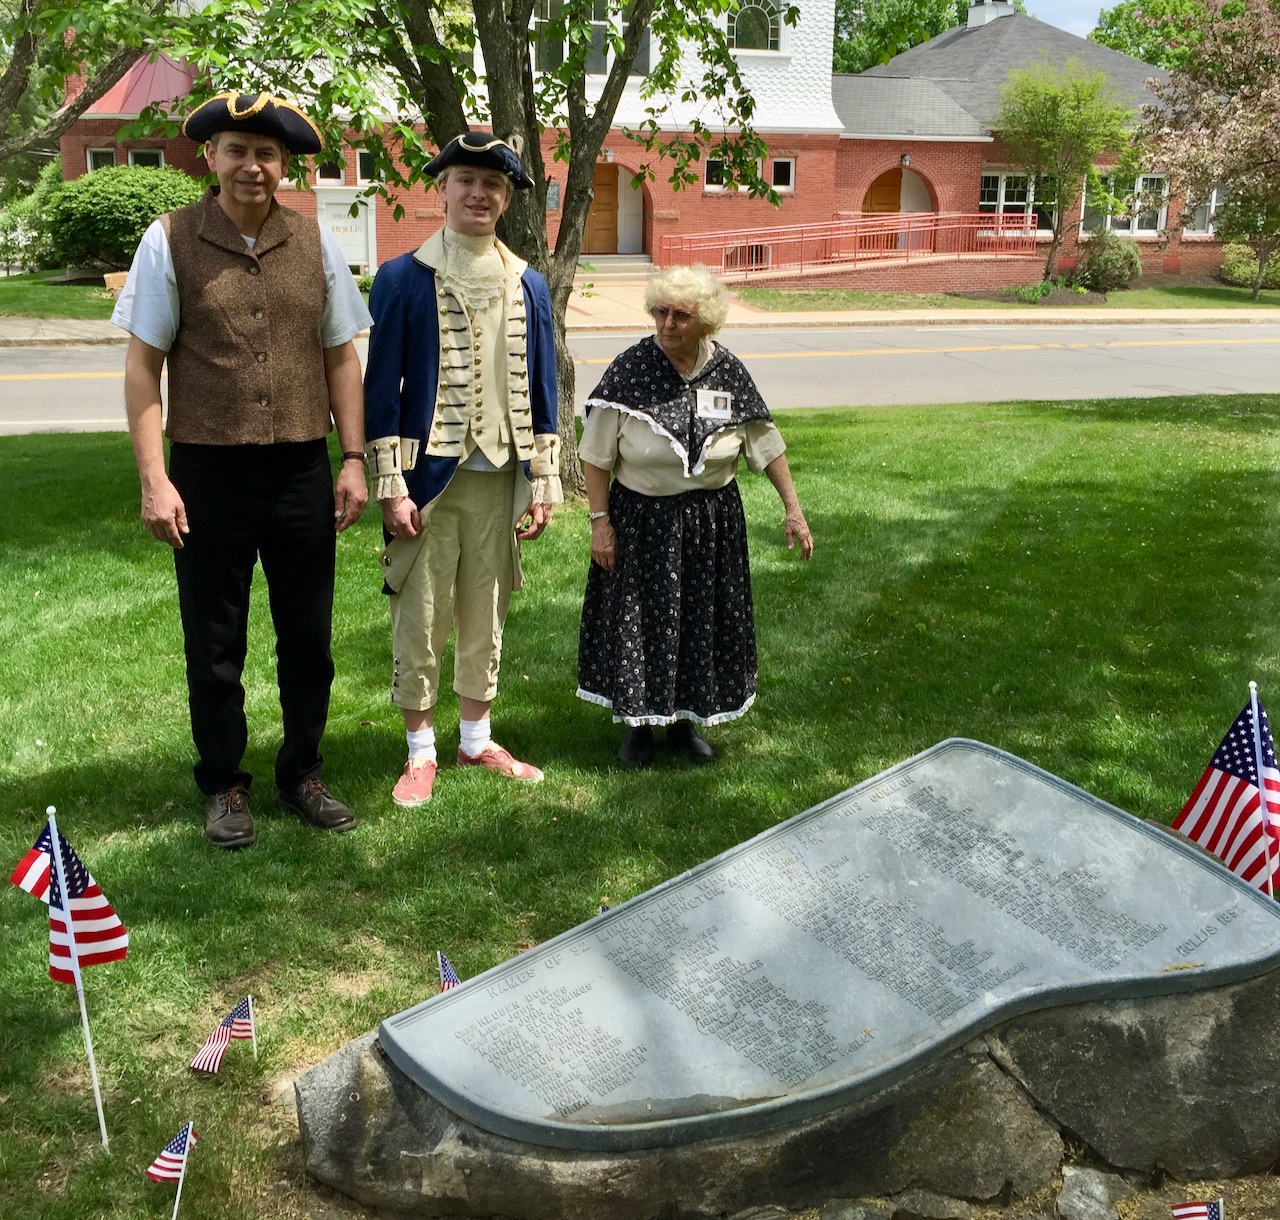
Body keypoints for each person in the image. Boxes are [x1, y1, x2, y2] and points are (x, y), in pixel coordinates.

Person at [113, 92, 372, 849]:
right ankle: (224, 783)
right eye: (236, 150)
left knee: (307, 639)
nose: (251, 166)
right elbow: (142, 368)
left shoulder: (315, 242)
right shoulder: (169, 240)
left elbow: (340, 359)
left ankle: (303, 771)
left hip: (299, 468)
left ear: (283, 164)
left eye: (265, 153)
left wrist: (351, 460)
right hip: (208, 471)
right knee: (215, 641)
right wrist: (155, 479)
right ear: (210, 158)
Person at [363, 132, 561, 807]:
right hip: (427, 480)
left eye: (493, 185)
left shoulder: (527, 280)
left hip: (501, 477)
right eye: (466, 181)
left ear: (506, 198)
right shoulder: (401, 277)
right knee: (419, 614)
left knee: (487, 613)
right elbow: (378, 386)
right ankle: (420, 751)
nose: (479, 194)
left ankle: (476, 738)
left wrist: (544, 479)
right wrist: (389, 486)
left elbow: (543, 389)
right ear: (442, 189)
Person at [577, 265, 814, 767]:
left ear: (705, 321)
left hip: (711, 523)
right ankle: (639, 727)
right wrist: (601, 521)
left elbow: (764, 444)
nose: (666, 324)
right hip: (642, 521)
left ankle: (685, 723)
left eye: (680, 316)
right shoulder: (631, 369)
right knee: (639, 622)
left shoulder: (727, 371)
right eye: (660, 313)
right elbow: (595, 455)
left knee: (698, 620)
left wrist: (792, 509)